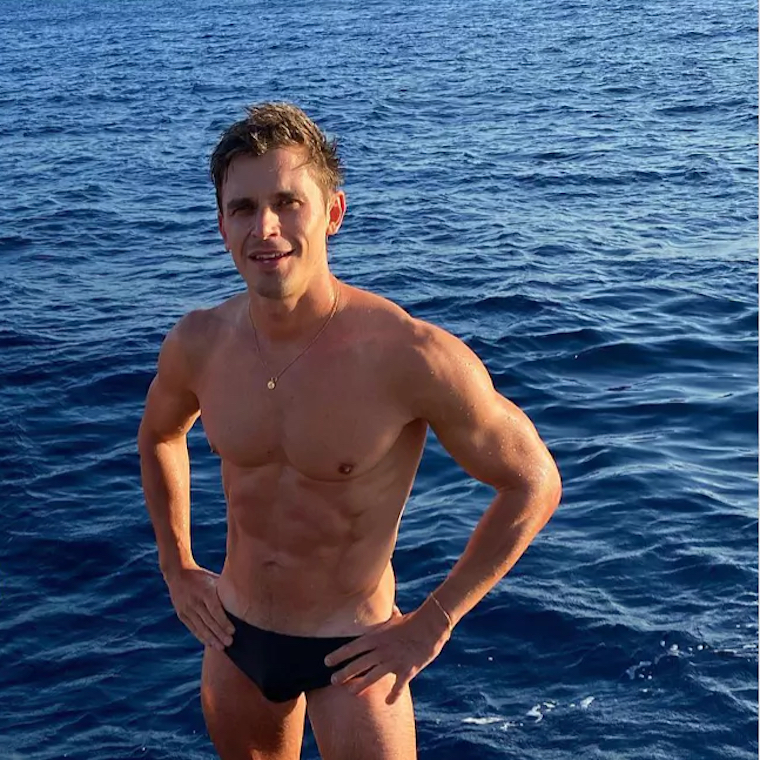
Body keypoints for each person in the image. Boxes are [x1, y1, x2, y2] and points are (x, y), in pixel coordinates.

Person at [138, 102, 562, 760]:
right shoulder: (199, 343)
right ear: (222, 225)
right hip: (233, 635)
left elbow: (533, 482)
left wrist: (434, 621)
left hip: (355, 652)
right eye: (244, 208)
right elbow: (159, 437)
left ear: (333, 212)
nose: (265, 228)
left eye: (288, 202)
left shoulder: (409, 355)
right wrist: (176, 566)